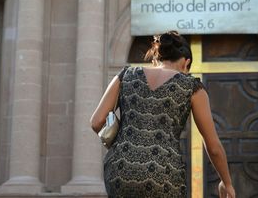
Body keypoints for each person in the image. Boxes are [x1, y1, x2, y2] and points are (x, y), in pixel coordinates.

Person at [90, 31, 235, 198]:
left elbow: (96, 121)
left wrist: (126, 145)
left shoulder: (126, 75)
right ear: (186, 63)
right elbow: (213, 147)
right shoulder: (192, 87)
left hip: (120, 168)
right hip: (164, 172)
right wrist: (227, 182)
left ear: (158, 58)